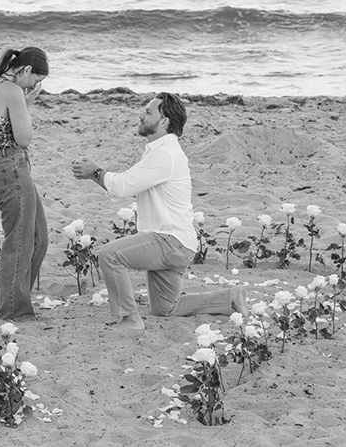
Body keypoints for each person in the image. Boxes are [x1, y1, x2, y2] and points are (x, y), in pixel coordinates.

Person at [70, 93, 247, 330]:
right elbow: (126, 182)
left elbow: (123, 186)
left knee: (110, 255)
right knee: (165, 308)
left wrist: (94, 171)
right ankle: (230, 297)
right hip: (177, 241)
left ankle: (130, 319)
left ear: (164, 122)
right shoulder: (162, 151)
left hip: (169, 240)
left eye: (148, 112)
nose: (141, 115)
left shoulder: (164, 155)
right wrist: (96, 174)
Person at [0, 47, 50, 322]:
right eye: (36, 80)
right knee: (20, 242)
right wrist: (26, 105)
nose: (36, 87)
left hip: (2, 168)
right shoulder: (12, 91)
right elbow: (24, 138)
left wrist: (23, 103)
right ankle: (13, 309)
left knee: (38, 237)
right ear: (26, 70)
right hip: (11, 168)